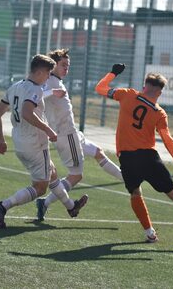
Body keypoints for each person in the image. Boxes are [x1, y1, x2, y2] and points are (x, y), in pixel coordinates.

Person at [94, 63, 173, 248]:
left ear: (145, 86)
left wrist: (112, 73)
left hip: (127, 158)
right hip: (149, 158)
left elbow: (100, 89)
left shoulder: (127, 94)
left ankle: (149, 232)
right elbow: (167, 139)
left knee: (135, 192)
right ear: (160, 92)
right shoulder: (159, 113)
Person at [0, 54, 88, 229]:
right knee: (40, 188)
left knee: (51, 172)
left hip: (19, 142)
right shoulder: (35, 89)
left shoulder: (15, 87)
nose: (48, 78)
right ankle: (3, 206)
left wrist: (0, 140)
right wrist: (48, 129)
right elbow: (28, 113)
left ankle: (71, 207)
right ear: (41, 72)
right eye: (48, 74)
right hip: (36, 144)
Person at [35, 48, 122, 221]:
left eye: (68, 65)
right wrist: (52, 92)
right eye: (63, 65)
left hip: (72, 133)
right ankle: (44, 203)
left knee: (98, 152)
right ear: (53, 66)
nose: (66, 68)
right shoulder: (51, 82)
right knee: (76, 176)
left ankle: (128, 179)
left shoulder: (55, 81)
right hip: (66, 135)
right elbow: (37, 95)